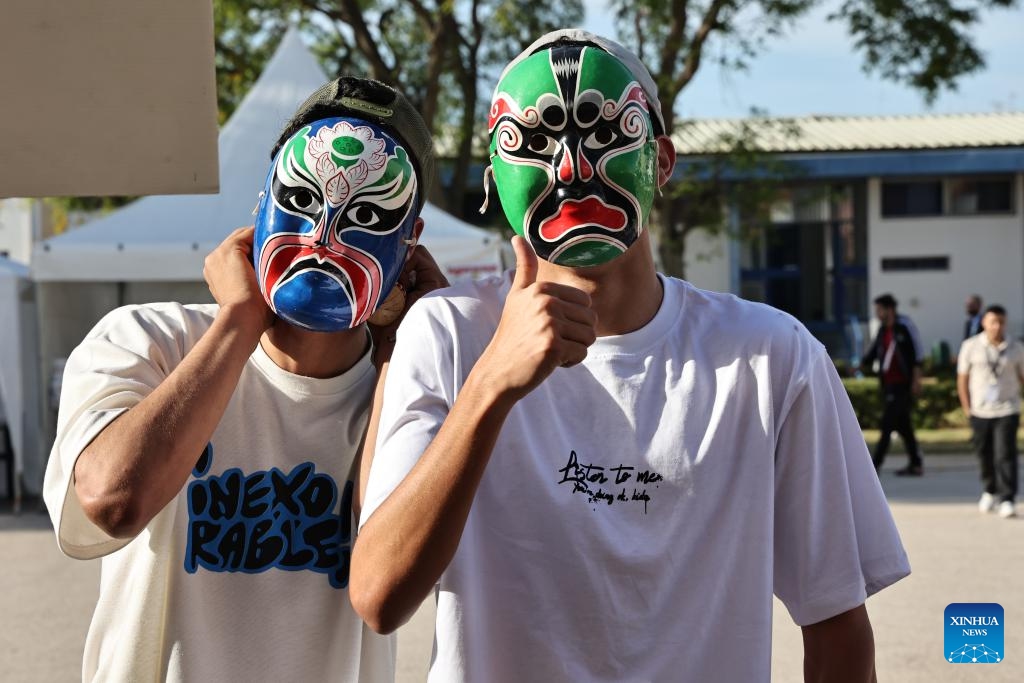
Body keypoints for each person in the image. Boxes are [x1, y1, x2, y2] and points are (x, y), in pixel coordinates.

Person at [351, 29, 910, 682]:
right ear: (493, 183)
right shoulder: (447, 333)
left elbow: (837, 621)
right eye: (531, 142)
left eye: (602, 129)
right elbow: (378, 594)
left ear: (662, 161)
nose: (569, 168)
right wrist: (491, 385)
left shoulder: (770, 357)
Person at [42, 76, 447, 681]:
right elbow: (112, 501)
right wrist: (239, 318)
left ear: (409, 243)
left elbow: (386, 571)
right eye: (302, 201)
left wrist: (404, 347)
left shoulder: (412, 388)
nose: (321, 237)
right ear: (260, 205)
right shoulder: (146, 340)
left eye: (366, 215)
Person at [957, 304, 1023, 519]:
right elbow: (962, 379)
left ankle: (1007, 498)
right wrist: (967, 408)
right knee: (984, 454)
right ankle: (990, 490)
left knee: (1005, 454)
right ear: (984, 322)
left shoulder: (1016, 347)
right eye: (992, 321)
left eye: (1001, 322)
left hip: (1007, 409)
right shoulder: (971, 346)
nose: (997, 326)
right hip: (980, 411)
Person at [862, 293, 924, 476]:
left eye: (879, 310)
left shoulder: (904, 325)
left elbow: (917, 353)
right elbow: (873, 351)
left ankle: (874, 465)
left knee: (887, 424)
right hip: (888, 383)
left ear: (889, 309)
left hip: (902, 384)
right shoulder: (883, 329)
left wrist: (916, 379)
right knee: (904, 426)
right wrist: (857, 366)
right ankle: (916, 463)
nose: (877, 313)